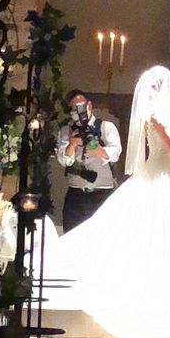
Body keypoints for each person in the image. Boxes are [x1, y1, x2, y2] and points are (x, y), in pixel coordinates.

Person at [42, 66, 170, 336]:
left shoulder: (160, 114)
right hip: (160, 173)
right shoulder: (154, 115)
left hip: (165, 172)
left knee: (162, 226)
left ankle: (161, 278)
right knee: (158, 222)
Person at [57, 89, 122, 232]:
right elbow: (64, 161)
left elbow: (115, 153)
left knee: (102, 237)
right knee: (72, 235)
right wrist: (72, 144)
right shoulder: (67, 131)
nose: (78, 112)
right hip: (76, 194)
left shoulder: (106, 127)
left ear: (89, 105)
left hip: (101, 192)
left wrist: (95, 146)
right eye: (73, 109)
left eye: (81, 107)